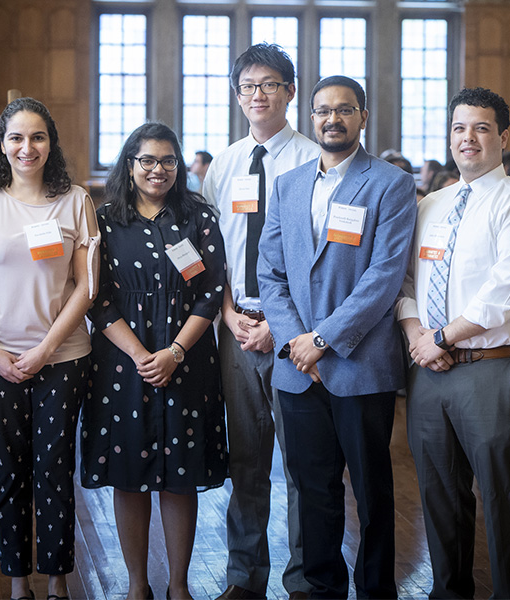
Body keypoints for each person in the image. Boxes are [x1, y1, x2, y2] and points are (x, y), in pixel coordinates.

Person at [258, 75, 415, 599]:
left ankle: (376, 590)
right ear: (311, 118)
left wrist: (321, 340)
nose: (333, 119)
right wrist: (294, 342)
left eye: (345, 109)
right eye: (323, 110)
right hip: (297, 371)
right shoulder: (288, 185)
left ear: (363, 117)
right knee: (313, 491)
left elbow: (384, 276)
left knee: (372, 493)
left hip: (360, 365)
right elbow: (270, 274)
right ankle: (322, 588)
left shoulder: (390, 183)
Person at [397, 87, 510, 599]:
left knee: (505, 500)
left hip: (493, 369)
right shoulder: (431, 205)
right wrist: (418, 336)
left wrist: (440, 338)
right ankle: (449, 592)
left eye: (482, 128)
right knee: (439, 497)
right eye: (459, 128)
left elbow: (503, 296)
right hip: (429, 370)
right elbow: (406, 283)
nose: (469, 138)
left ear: (502, 137)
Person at [0, 97, 98, 600]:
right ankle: (19, 583)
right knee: (10, 468)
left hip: (64, 357)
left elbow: (87, 287)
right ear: (2, 144)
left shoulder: (76, 200)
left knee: (55, 466)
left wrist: (45, 349)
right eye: (16, 137)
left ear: (51, 144)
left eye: (38, 137)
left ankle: (57, 580)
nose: (27, 147)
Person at [80, 122, 228, 600]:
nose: (157, 169)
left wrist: (175, 352)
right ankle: (137, 585)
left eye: (168, 161)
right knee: (129, 475)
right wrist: (143, 355)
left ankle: (179, 585)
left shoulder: (198, 217)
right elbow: (96, 297)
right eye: (147, 160)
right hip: (123, 361)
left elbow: (211, 291)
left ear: (178, 166)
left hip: (187, 357)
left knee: (181, 476)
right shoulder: (105, 220)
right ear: (130, 165)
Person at [200, 42, 319, 600]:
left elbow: (318, 258)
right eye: (248, 86)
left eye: (270, 84)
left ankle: (304, 580)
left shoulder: (313, 160)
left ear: (290, 92)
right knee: (246, 460)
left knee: (301, 461)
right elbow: (212, 250)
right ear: (237, 94)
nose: (258, 95)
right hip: (235, 330)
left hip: (294, 333)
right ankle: (244, 578)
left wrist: (279, 323)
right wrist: (228, 313)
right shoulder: (224, 165)